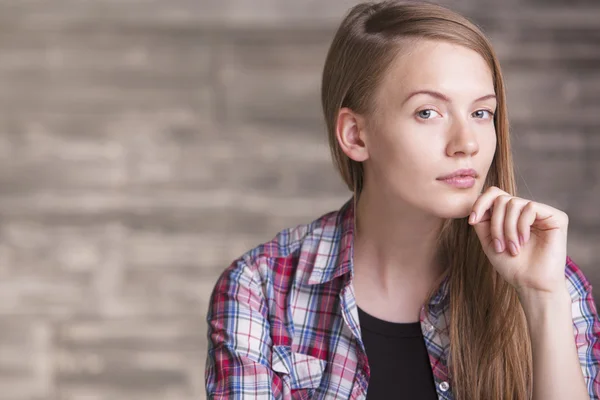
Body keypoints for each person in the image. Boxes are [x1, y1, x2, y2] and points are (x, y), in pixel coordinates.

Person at [204, 1, 600, 399]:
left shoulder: (553, 281)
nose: (467, 143)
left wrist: (543, 301)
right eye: (428, 112)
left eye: (482, 113)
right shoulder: (259, 289)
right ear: (356, 135)